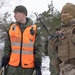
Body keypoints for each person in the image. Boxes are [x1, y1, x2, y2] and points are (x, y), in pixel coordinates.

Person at [0, 5, 42, 75]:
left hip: (29, 70)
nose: (14, 15)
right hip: (12, 69)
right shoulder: (11, 29)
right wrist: (3, 64)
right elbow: (7, 48)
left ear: (23, 14)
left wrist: (38, 66)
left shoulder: (35, 30)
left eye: (16, 13)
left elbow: (38, 49)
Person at [53, 3, 75, 75]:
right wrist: (53, 43)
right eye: (61, 13)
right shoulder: (62, 30)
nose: (63, 15)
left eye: (65, 12)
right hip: (63, 67)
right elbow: (57, 51)